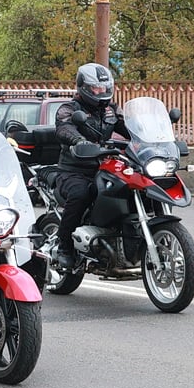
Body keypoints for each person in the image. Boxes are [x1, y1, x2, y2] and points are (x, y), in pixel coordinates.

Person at [54, 62, 129, 269]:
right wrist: (79, 141)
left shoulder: (112, 110)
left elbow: (129, 128)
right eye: (96, 88)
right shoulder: (69, 109)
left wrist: (152, 139)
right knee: (81, 194)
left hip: (105, 167)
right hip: (75, 170)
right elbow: (64, 128)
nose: (101, 92)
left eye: (104, 88)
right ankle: (64, 246)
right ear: (84, 87)